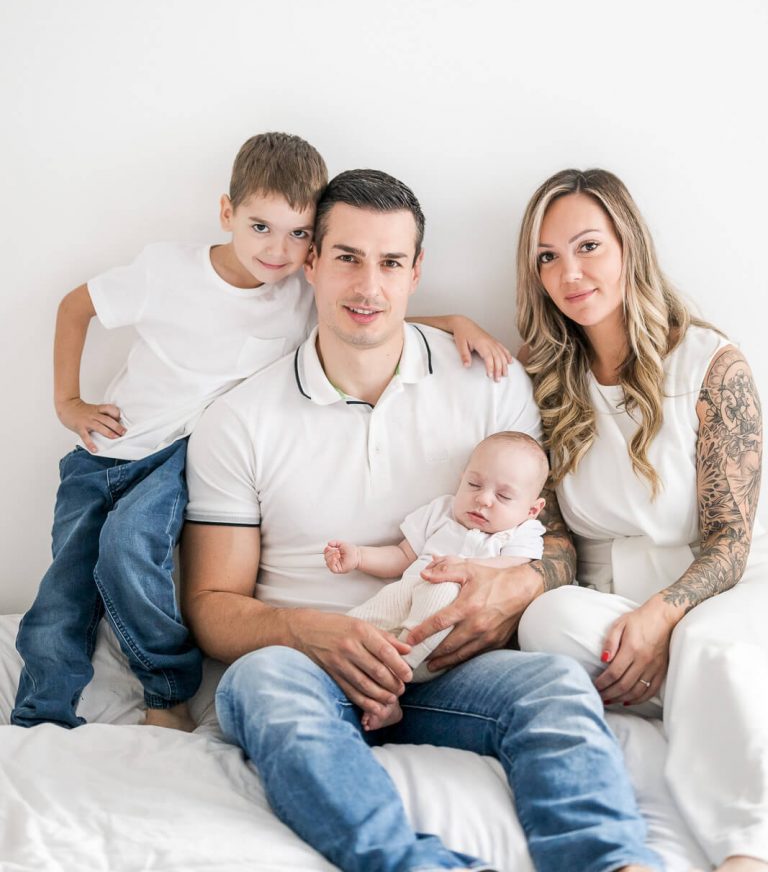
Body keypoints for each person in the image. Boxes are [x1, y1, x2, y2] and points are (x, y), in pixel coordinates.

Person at [181, 167, 662, 872]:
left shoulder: (488, 382)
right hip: (308, 671)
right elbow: (211, 605)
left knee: (553, 685)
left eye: (390, 262)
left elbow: (552, 540)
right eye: (347, 258)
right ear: (311, 262)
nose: (368, 286)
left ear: (416, 271)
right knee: (258, 683)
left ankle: (612, 862)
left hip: (446, 667)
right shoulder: (238, 419)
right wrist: (306, 632)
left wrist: (517, 588)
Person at [12, 130, 512, 735]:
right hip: (109, 450)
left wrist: (454, 320)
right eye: (260, 227)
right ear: (228, 213)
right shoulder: (169, 272)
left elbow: (371, 312)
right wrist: (68, 402)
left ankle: (165, 692)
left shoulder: (298, 295)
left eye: (297, 234)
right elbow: (76, 306)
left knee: (128, 548)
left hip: (172, 458)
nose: (277, 250)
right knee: (65, 586)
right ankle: (40, 712)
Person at [514, 167, 768, 872]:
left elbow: (731, 540)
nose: (569, 273)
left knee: (707, 647)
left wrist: (663, 617)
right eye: (547, 257)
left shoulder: (710, 364)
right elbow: (556, 536)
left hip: (719, 592)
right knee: (545, 621)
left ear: (629, 244)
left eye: (588, 246)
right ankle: (684, 706)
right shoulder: (545, 378)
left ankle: (745, 851)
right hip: (612, 610)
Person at [324, 430, 547, 729]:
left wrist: (468, 566)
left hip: (452, 617)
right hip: (409, 589)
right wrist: (359, 556)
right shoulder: (441, 511)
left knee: (441, 590)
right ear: (461, 479)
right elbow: (402, 555)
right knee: (359, 623)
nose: (482, 499)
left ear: (532, 510)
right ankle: (346, 669)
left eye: (503, 496)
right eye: (474, 484)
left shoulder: (522, 531)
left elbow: (516, 565)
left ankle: (392, 681)